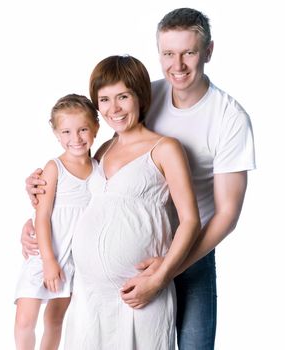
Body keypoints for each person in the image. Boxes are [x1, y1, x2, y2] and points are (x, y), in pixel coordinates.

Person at [22, 8, 256, 350]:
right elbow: (90, 182)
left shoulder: (228, 118)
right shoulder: (142, 100)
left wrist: (164, 273)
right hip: (104, 287)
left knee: (194, 344)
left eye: (189, 52)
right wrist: (40, 201)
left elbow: (227, 215)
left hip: (193, 246)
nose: (177, 65)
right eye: (168, 54)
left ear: (208, 52)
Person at [14, 94, 99, 350]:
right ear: (56, 133)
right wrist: (49, 261)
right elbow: (42, 217)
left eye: (83, 129)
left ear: (96, 126)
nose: (76, 138)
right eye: (67, 131)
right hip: (45, 254)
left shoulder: (99, 170)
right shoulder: (54, 168)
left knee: (55, 320)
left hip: (73, 261)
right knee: (24, 320)